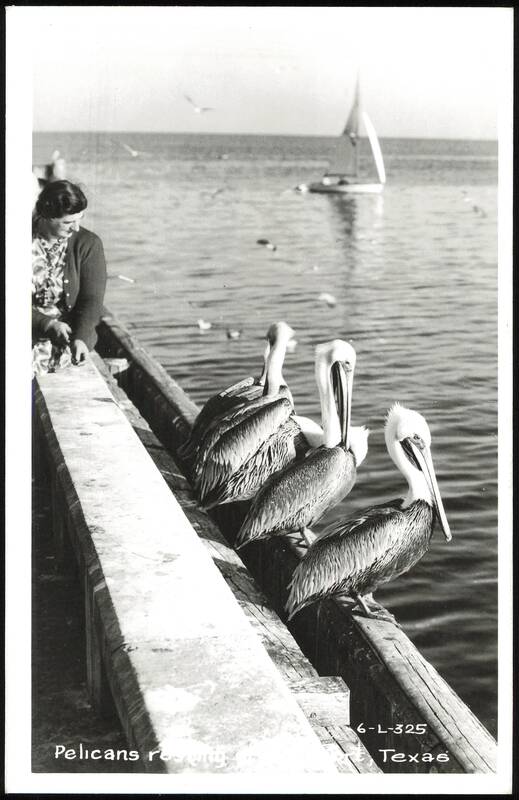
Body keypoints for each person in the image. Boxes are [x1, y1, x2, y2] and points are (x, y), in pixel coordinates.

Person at [32, 180, 107, 376]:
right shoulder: (15, 238)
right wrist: (46, 324)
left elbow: (92, 299)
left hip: (66, 344)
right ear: (46, 215)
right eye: (67, 222)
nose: (76, 228)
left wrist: (81, 337)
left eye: (79, 219)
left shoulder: (88, 244)